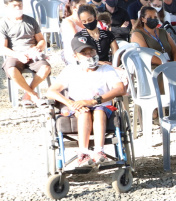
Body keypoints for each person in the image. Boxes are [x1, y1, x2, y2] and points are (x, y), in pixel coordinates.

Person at [46, 37, 128, 167]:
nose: (89, 56)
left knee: (99, 112)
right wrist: (70, 103)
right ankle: (83, 153)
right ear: (76, 56)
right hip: (78, 107)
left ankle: (99, 151)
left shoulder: (106, 69)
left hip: (101, 105)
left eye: (91, 52)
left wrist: (93, 101)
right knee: (84, 113)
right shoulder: (70, 70)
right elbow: (51, 91)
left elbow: (120, 89)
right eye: (84, 53)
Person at [1, 0, 51, 106]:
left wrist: (38, 47)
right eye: (14, 6)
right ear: (6, 7)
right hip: (15, 54)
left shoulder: (31, 21)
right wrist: (18, 55)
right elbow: (3, 48)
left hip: (33, 53)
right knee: (11, 70)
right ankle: (34, 95)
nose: (18, 8)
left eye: (20, 5)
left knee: (46, 67)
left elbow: (42, 40)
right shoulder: (3, 23)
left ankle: (27, 95)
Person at [60, 0, 86, 66]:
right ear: (74, 7)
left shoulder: (85, 20)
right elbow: (75, 39)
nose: (84, 8)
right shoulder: (68, 21)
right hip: (73, 51)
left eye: (85, 5)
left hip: (86, 48)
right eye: (81, 5)